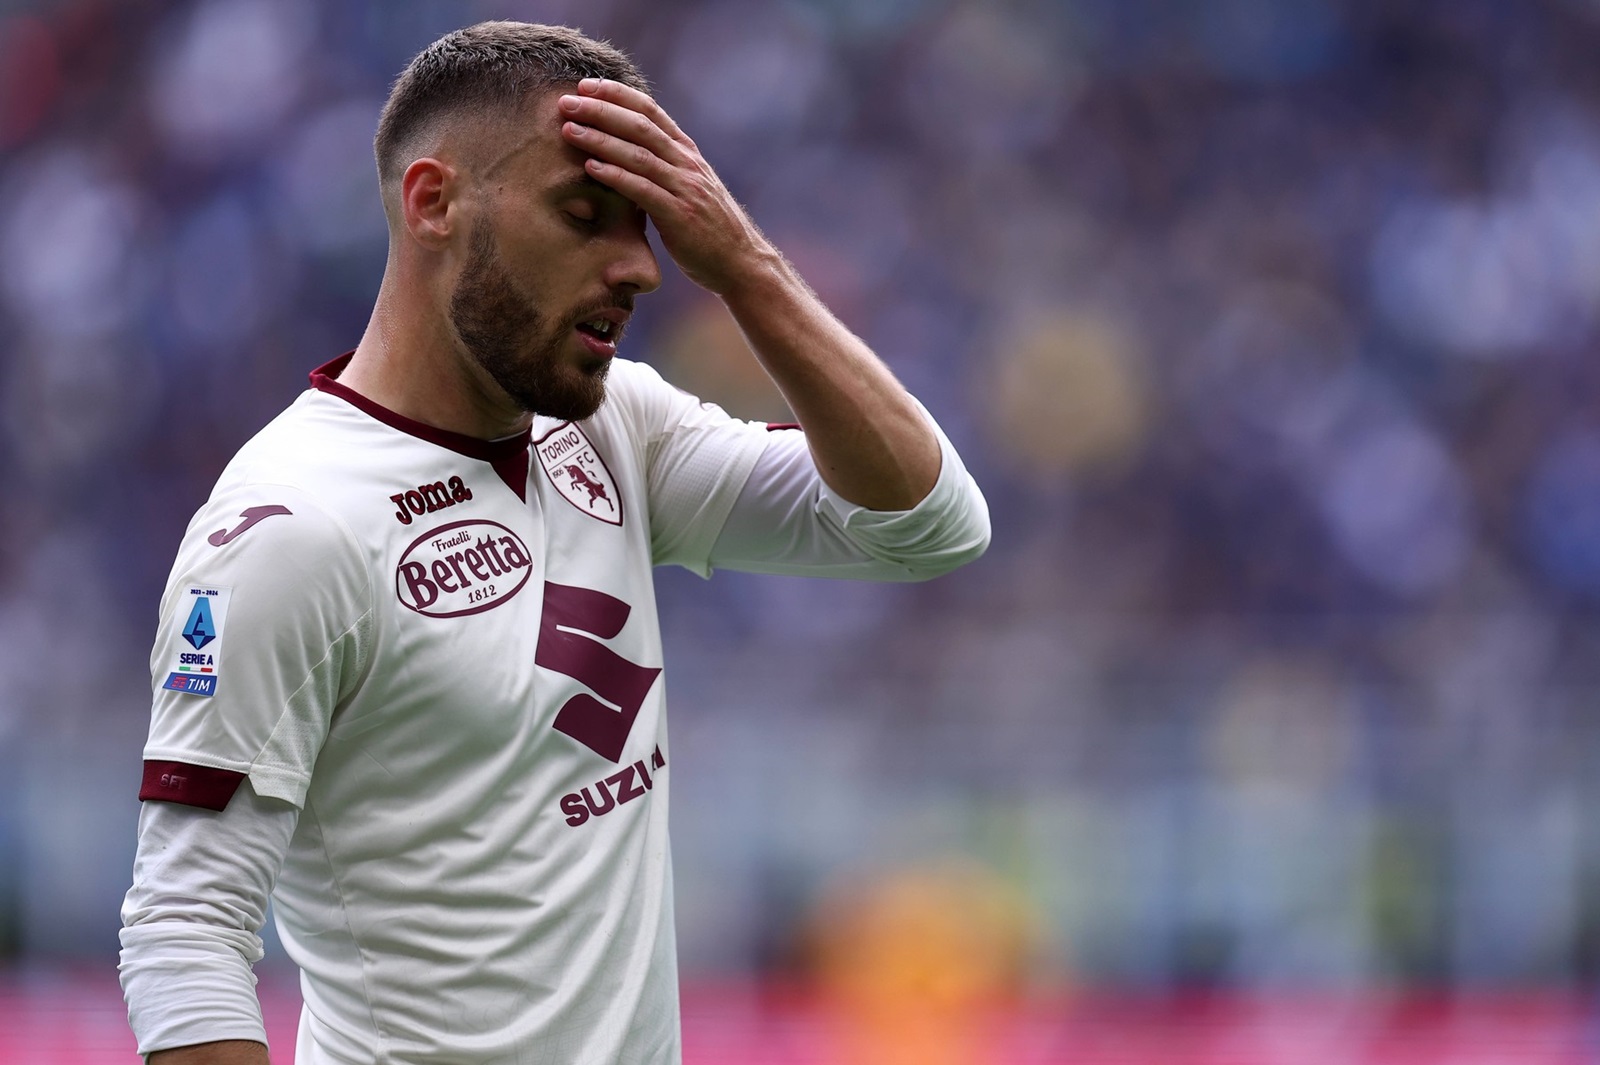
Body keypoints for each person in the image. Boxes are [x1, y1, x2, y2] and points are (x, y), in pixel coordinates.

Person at [118, 20, 989, 1065]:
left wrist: (746, 268)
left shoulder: (615, 425)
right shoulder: (288, 529)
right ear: (432, 202)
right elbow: (183, 935)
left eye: (649, 229)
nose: (641, 270)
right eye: (585, 218)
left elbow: (926, 527)